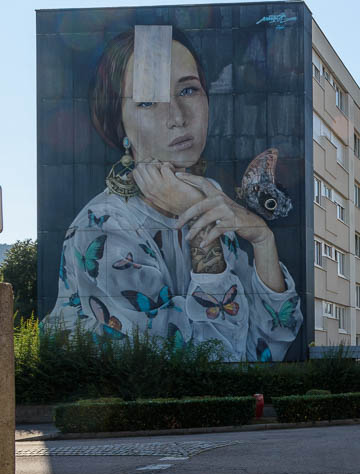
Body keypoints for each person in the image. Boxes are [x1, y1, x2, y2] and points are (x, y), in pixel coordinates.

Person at [43, 27, 302, 361]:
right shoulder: (104, 227)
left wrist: (263, 240)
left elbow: (265, 350)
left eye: (188, 90)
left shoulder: (208, 196)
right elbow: (213, 363)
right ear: (119, 125)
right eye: (148, 102)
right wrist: (202, 226)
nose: (178, 118)